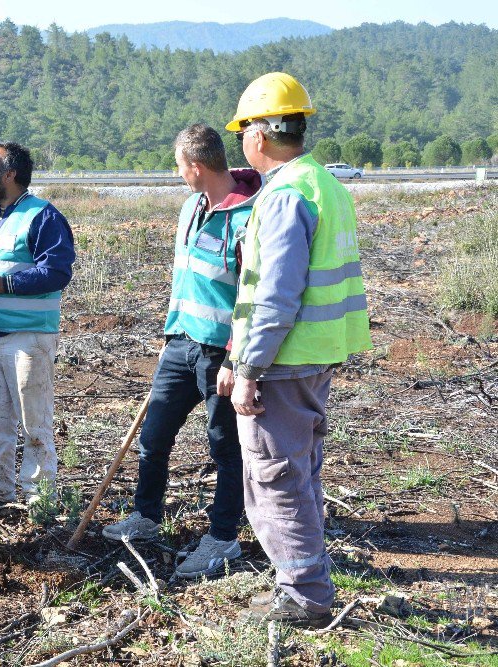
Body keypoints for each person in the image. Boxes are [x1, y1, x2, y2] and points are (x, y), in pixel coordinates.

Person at [225, 72, 372, 626]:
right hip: (315, 353)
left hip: (283, 360)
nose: (242, 140)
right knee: (300, 469)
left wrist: (248, 367)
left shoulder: (286, 196)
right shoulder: (323, 183)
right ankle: (304, 579)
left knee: (275, 475)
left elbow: (275, 294)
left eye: (243, 130)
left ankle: (306, 594)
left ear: (259, 135)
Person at [101, 124, 261, 579]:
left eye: (178, 167)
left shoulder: (250, 217)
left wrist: (235, 358)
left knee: (225, 449)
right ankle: (146, 516)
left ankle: (222, 538)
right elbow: (185, 280)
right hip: (180, 346)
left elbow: (252, 296)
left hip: (219, 356)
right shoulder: (191, 206)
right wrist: (171, 334)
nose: (178, 175)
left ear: (195, 166)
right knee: (153, 438)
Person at [0, 142, 74, 512]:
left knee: (34, 422)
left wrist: (2, 285)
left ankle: (40, 501)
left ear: (9, 174)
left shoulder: (43, 217)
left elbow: (57, 271)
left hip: (28, 337)